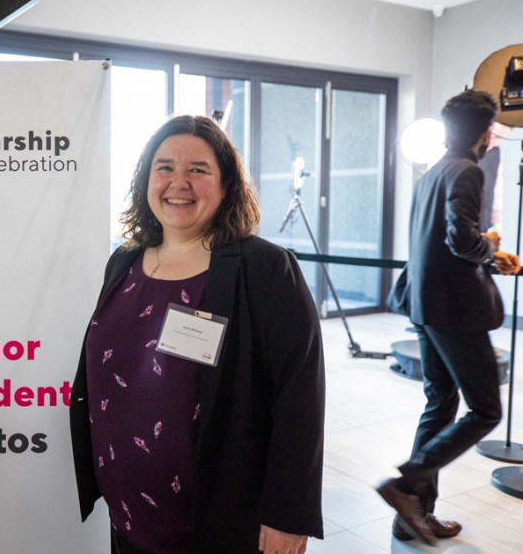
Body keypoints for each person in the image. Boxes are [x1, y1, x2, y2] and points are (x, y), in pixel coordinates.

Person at [70, 115, 325, 554]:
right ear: (146, 181)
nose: (178, 183)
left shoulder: (264, 269)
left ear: (226, 184)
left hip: (218, 519)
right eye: (164, 167)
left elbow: (300, 397)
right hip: (129, 512)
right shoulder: (124, 263)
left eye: (198, 170)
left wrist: (287, 514)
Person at [376, 90, 521, 545]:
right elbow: (461, 239)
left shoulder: (432, 172)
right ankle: (406, 484)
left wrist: (486, 253)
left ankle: (413, 515)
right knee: (485, 409)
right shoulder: (468, 170)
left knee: (440, 403)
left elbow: (442, 239)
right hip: (454, 310)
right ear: (484, 132)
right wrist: (491, 249)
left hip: (424, 305)